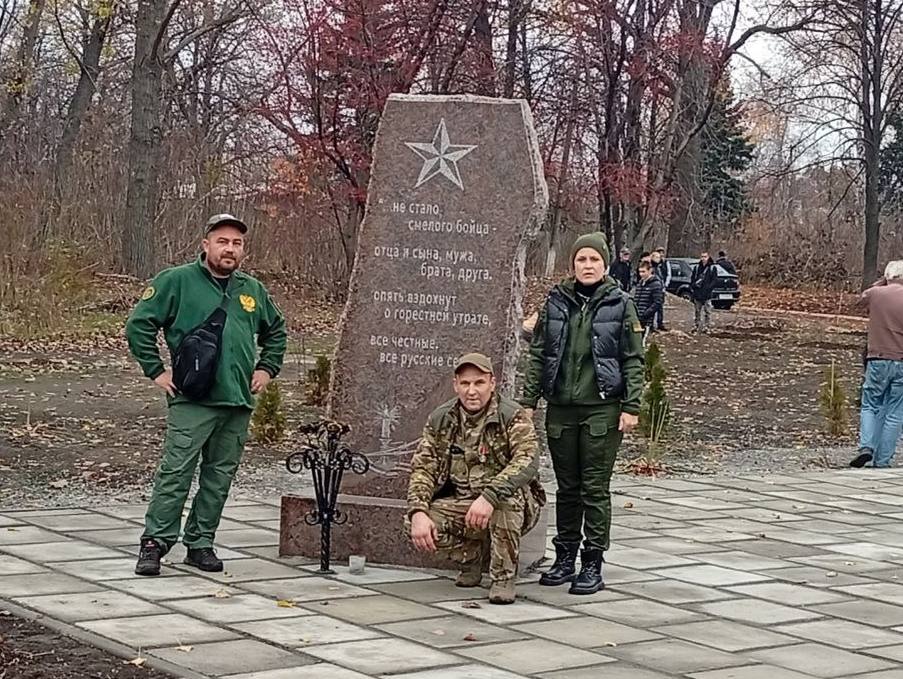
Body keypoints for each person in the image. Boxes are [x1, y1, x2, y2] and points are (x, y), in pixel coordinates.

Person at [126, 213, 287, 576]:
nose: (229, 249)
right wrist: (156, 370)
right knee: (176, 472)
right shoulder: (176, 282)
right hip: (193, 400)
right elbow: (139, 325)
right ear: (206, 245)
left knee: (219, 476)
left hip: (237, 401)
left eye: (237, 243)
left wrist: (266, 369)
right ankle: (155, 543)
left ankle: (200, 543)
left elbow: (276, 332)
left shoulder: (252, 290)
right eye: (222, 241)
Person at [521, 232, 644, 595]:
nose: (587, 266)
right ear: (572, 265)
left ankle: (592, 561)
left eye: (594, 260)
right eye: (581, 260)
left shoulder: (621, 304)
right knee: (568, 488)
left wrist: (631, 405)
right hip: (561, 409)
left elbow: (633, 359)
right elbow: (539, 354)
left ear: (605, 265)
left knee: (594, 489)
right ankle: (565, 556)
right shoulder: (555, 303)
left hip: (602, 410)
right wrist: (529, 401)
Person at [407, 353, 544, 604]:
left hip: (510, 505)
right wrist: (417, 511)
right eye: (465, 383)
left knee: (506, 501)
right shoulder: (442, 418)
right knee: (420, 522)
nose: (472, 391)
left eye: (479, 383)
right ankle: (470, 559)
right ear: (455, 385)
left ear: (492, 384)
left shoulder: (511, 415)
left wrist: (489, 496)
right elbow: (423, 467)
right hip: (463, 503)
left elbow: (527, 461)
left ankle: (503, 577)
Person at [850, 261, 903, 468]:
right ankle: (883, 461)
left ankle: (866, 447)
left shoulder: (876, 294)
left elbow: (859, 301)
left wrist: (882, 283)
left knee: (871, 404)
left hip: (878, 358)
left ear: (888, 276)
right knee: (896, 411)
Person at [634, 260, 664, 345]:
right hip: (636, 317)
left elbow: (657, 303)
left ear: (650, 270)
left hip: (646, 319)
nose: (641, 274)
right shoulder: (640, 283)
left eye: (643, 271)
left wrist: (646, 314)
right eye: (640, 272)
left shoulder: (656, 284)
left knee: (642, 342)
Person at [690, 251, 718, 334]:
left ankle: (707, 326)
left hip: (707, 294)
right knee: (697, 311)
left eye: (705, 256)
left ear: (708, 257)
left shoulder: (712, 268)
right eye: (702, 256)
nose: (703, 259)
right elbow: (692, 279)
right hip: (698, 293)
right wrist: (694, 286)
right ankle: (696, 325)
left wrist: (708, 289)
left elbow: (714, 281)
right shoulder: (697, 268)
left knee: (707, 311)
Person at [650, 248, 671, 331]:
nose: (660, 256)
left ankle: (659, 323)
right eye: (658, 255)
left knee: (660, 307)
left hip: (661, 288)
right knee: (652, 306)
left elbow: (665, 275)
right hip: (654, 289)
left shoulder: (664, 264)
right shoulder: (652, 266)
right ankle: (651, 324)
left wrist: (664, 286)